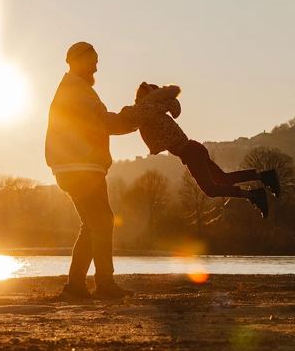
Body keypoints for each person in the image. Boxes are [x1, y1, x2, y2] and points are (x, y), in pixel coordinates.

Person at [45, 42, 139, 300]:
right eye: (93, 61)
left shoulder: (74, 89)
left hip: (72, 167)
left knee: (92, 224)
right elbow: (104, 121)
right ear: (77, 61)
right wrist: (136, 117)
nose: (96, 67)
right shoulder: (78, 91)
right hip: (81, 166)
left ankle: (75, 286)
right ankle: (104, 284)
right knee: (103, 220)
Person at [122, 82, 279, 217]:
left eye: (138, 99)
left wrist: (126, 112)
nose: (136, 102)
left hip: (191, 152)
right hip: (193, 149)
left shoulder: (149, 109)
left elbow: (132, 115)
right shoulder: (155, 110)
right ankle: (264, 178)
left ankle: (254, 194)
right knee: (223, 179)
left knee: (210, 189)